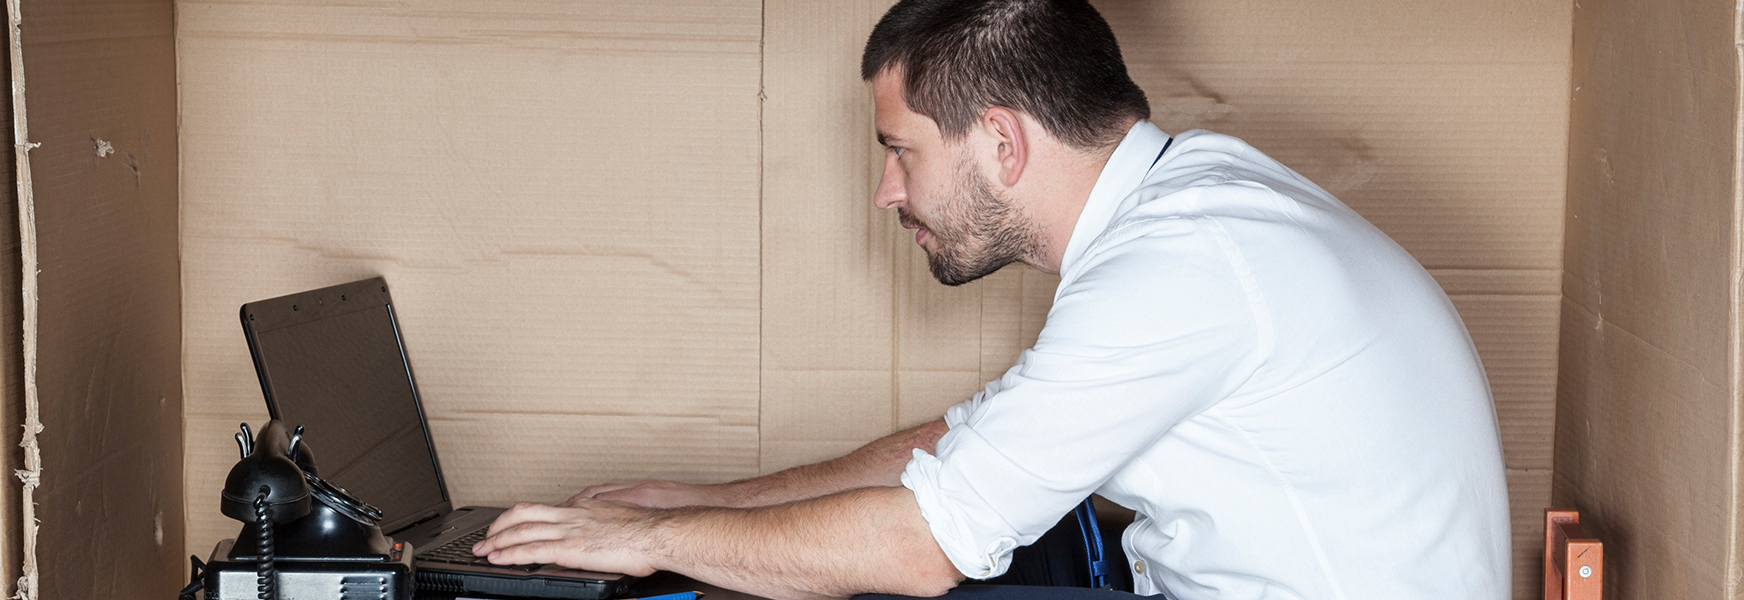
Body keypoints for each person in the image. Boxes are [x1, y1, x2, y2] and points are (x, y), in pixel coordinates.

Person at [471, 0, 1513, 598]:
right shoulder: (1196, 200)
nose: (886, 191)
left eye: (898, 153)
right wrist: (702, 504)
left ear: (1002, 142)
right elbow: (968, 445)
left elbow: (920, 544)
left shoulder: (1176, 267)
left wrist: (646, 546)